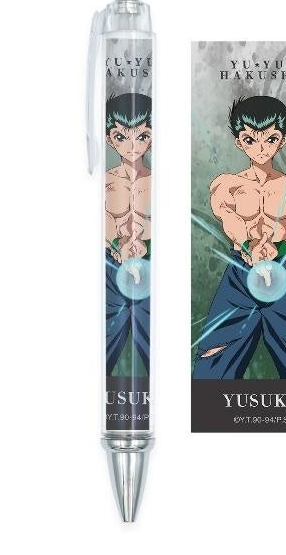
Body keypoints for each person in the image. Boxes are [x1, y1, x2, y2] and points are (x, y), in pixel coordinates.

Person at [192, 95, 286, 379]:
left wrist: (282, 247)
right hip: (240, 272)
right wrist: (248, 244)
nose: (261, 148)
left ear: (282, 141)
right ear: (238, 142)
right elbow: (229, 220)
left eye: (270, 139)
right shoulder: (228, 185)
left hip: (282, 271)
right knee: (213, 360)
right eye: (250, 139)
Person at [104, 93, 152, 375]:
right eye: (122, 137)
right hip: (110, 267)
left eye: (142, 136)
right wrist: (116, 243)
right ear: (110, 139)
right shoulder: (104, 182)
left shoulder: (158, 181)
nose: (133, 145)